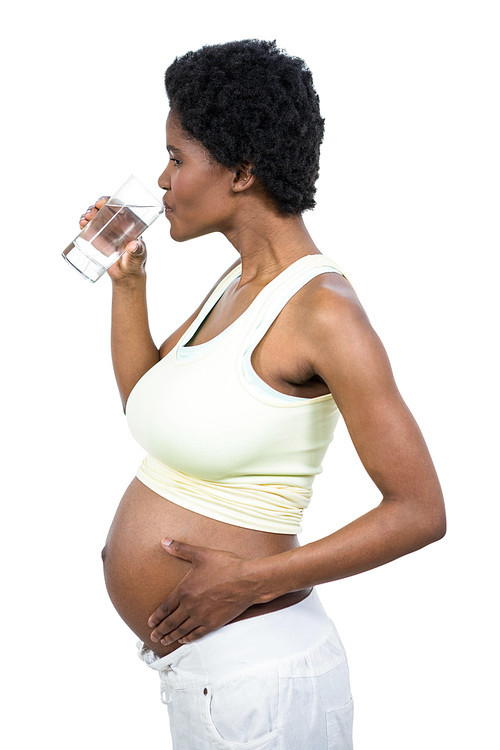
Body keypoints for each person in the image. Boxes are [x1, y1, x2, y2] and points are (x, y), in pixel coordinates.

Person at [83, 40, 446, 749]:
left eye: (177, 157)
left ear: (243, 171)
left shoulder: (324, 311)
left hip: (264, 681)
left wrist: (251, 581)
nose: (160, 180)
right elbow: (147, 406)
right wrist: (129, 284)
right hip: (212, 675)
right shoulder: (236, 282)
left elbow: (420, 511)